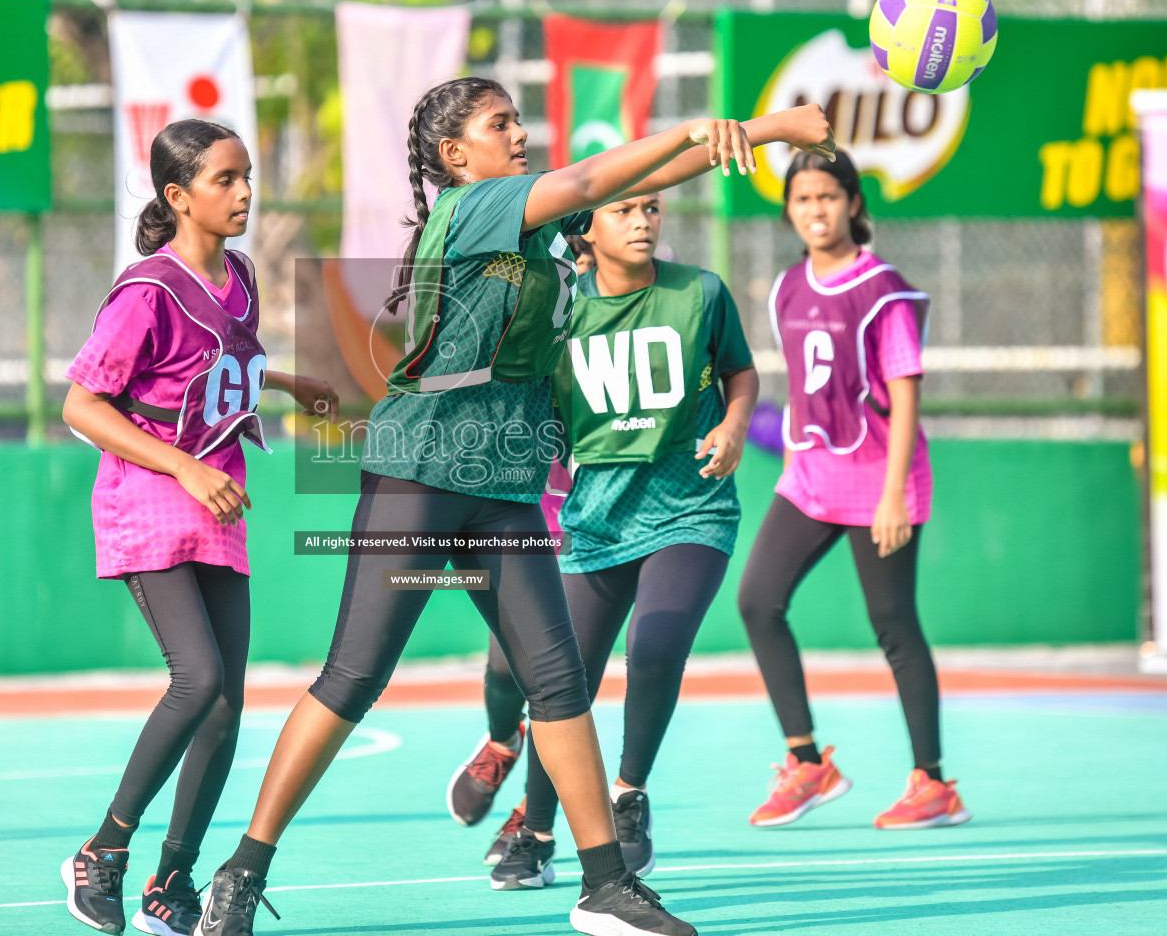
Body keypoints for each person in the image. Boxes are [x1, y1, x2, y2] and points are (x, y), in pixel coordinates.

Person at [198, 76, 833, 936]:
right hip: (420, 470)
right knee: (354, 676)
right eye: (502, 124)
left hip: (503, 486)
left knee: (559, 680)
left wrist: (759, 139)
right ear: (456, 155)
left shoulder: (533, 239)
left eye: (519, 120)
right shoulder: (476, 209)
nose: (521, 133)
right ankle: (239, 874)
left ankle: (604, 885)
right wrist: (755, 127)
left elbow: (612, 209)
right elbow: (591, 183)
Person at [59, 120, 338, 936]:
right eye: (225, 180)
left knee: (227, 705)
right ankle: (102, 852)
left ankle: (168, 884)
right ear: (178, 197)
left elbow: (221, 364)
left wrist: (283, 382)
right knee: (198, 679)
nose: (245, 192)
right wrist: (182, 466)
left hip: (217, 495)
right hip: (151, 494)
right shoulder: (146, 291)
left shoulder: (242, 276)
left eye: (247, 176)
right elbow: (80, 405)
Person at [445, 193, 758, 890]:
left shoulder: (700, 293)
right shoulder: (559, 314)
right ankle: (538, 830)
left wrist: (734, 425)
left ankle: (629, 795)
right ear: (585, 230)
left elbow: (740, 371)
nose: (644, 219)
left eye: (652, 207)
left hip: (691, 509)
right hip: (596, 521)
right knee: (558, 685)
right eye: (624, 210)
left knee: (655, 646)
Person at [737, 149, 970, 830]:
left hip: (880, 477)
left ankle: (933, 783)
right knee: (757, 601)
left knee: (893, 626)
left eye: (829, 197)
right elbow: (809, 396)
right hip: (810, 476)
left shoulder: (882, 289)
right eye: (803, 198)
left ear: (854, 205)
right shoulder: (785, 288)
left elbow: (904, 397)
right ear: (789, 210)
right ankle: (807, 762)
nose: (816, 209)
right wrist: (791, 463)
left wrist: (894, 495)